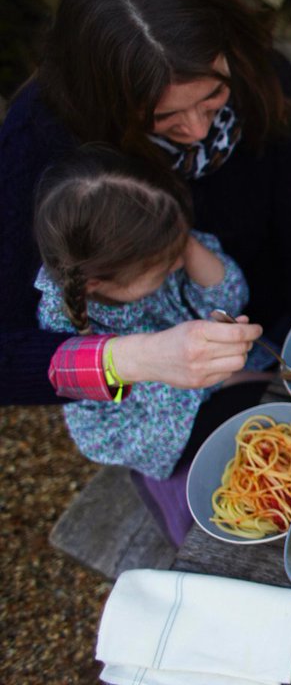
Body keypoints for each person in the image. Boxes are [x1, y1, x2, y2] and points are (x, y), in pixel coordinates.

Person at [0, 0, 291, 406]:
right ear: (106, 100)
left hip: (281, 334)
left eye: (214, 95)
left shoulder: (256, 68)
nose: (198, 131)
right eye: (163, 116)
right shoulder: (39, 146)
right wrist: (139, 358)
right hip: (162, 398)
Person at [34, 145, 249, 479]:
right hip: (164, 429)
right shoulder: (65, 327)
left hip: (213, 381)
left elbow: (232, 297)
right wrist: (240, 379)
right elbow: (164, 397)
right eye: (167, 264)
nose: (179, 263)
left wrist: (185, 242)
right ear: (95, 283)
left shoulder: (155, 242)